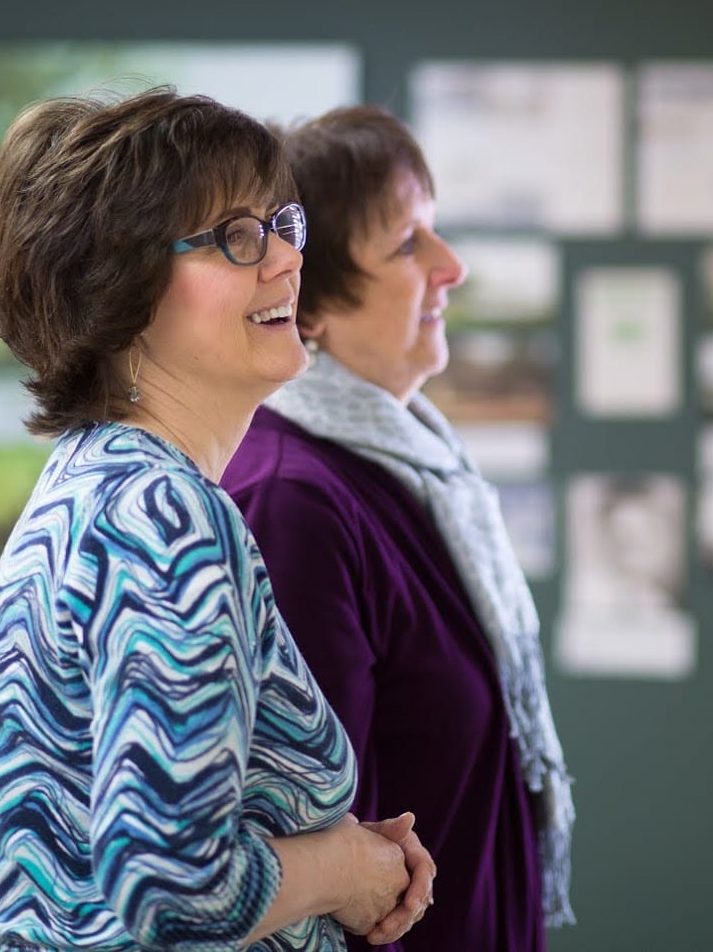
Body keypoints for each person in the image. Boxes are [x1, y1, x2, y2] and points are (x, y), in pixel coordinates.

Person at [0, 88, 435, 951]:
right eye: (237, 238)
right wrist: (345, 867)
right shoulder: (165, 517)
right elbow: (172, 884)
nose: (288, 260)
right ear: (123, 290)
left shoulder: (98, 481)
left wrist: (355, 854)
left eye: (281, 222)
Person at [221, 105, 574, 951]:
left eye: (435, 233)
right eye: (409, 244)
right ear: (311, 303)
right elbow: (313, 835)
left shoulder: (426, 472)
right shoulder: (294, 501)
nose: (450, 268)